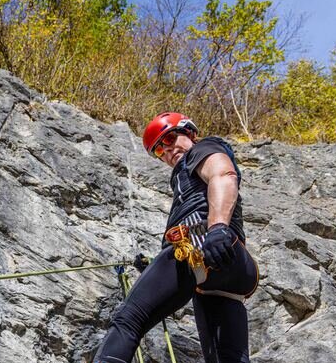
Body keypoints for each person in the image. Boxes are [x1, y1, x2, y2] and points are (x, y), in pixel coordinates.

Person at [94, 112, 259, 363]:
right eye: (160, 150)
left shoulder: (203, 149)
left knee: (129, 320)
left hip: (202, 246)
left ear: (189, 132)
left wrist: (217, 229)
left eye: (170, 138)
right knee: (228, 357)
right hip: (232, 268)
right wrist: (155, 266)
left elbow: (223, 176)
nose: (167, 150)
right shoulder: (186, 178)